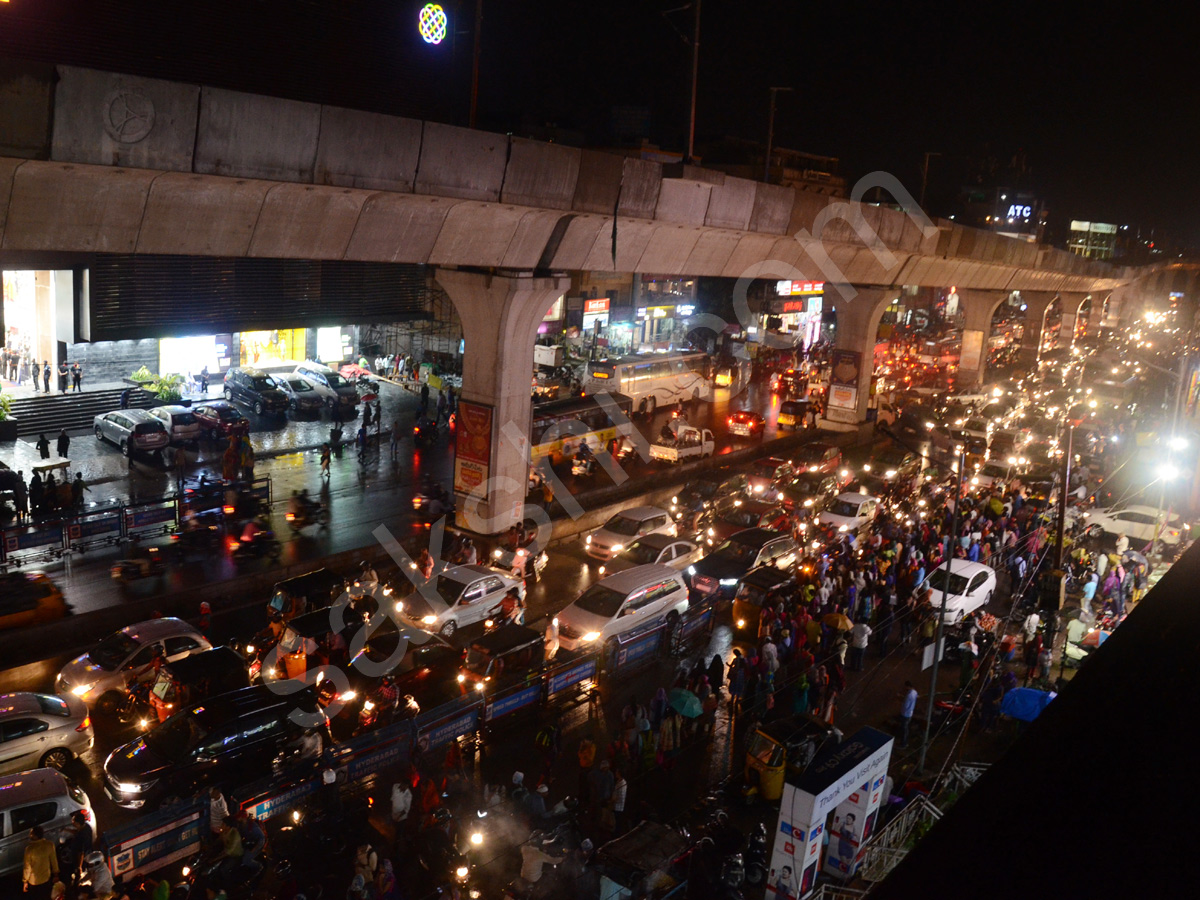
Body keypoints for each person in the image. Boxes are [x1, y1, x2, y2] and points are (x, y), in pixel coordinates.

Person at [23, 825, 59, 899]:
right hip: (46, 878)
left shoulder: (29, 849)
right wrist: (56, 874)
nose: (29, 835)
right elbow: (54, 861)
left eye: (31, 834)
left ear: (35, 836)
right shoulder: (49, 845)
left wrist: (25, 881)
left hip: (33, 881)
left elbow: (27, 867)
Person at [899, 681, 917, 747]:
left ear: (908, 686)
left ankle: (903, 744)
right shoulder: (914, 692)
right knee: (906, 729)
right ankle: (904, 742)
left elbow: (905, 705)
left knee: (904, 729)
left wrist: (900, 699)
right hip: (910, 713)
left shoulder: (909, 695)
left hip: (905, 714)